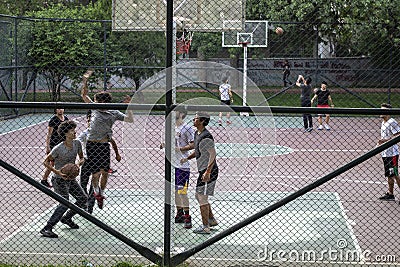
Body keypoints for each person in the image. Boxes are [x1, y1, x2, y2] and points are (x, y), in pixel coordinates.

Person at [81, 70, 133, 209]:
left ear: (105, 102)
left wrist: (129, 106)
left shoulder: (114, 112)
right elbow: (84, 95)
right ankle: (96, 192)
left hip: (104, 145)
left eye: (99, 101)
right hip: (92, 144)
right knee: (96, 172)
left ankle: (101, 193)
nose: (97, 103)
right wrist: (85, 81)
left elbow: (130, 119)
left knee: (105, 172)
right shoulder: (94, 108)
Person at [40, 120, 87, 238]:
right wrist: (58, 172)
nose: (75, 132)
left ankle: (66, 218)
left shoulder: (77, 144)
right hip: (59, 179)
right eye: (72, 131)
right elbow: (45, 162)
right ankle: (47, 228)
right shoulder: (58, 148)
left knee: (82, 199)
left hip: (70, 178)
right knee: (64, 203)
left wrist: (78, 164)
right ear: (66, 133)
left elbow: (82, 158)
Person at [181, 112, 218, 234]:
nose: (193, 119)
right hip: (203, 170)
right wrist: (187, 158)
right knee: (199, 196)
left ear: (202, 121)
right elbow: (198, 151)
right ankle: (211, 219)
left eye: (196, 118)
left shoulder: (206, 136)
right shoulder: (197, 134)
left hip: (209, 171)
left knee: (202, 197)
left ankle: (205, 227)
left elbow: (213, 154)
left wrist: (207, 172)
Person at [78, 110, 122, 214]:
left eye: (91, 120)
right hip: (86, 161)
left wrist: (117, 154)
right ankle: (83, 202)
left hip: (96, 159)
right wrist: (80, 157)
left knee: (94, 185)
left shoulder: (102, 134)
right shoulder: (84, 134)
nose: (90, 122)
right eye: (88, 120)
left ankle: (91, 206)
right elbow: (78, 143)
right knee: (83, 184)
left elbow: (112, 141)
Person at [160, 110, 195, 229]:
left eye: (176, 111)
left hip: (182, 165)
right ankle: (179, 213)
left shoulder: (187, 128)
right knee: (175, 191)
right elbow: (170, 142)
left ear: (182, 114)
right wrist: (164, 144)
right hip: (172, 164)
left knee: (182, 191)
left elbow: (192, 145)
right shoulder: (171, 127)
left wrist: (178, 149)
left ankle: (187, 216)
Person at [377, 103, 400, 201]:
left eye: (383, 110)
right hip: (385, 153)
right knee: (389, 174)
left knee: (394, 174)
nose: (381, 112)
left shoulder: (392, 122)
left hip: (392, 153)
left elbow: (398, 135)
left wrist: (385, 141)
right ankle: (390, 194)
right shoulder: (383, 122)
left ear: (388, 112)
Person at [41, 108, 69, 188]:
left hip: (63, 143)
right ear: (55, 110)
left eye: (62, 108)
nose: (60, 110)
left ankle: (59, 178)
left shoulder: (66, 119)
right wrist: (48, 146)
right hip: (54, 144)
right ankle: (45, 179)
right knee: (52, 163)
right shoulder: (53, 120)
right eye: (58, 108)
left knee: (63, 161)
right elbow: (49, 134)